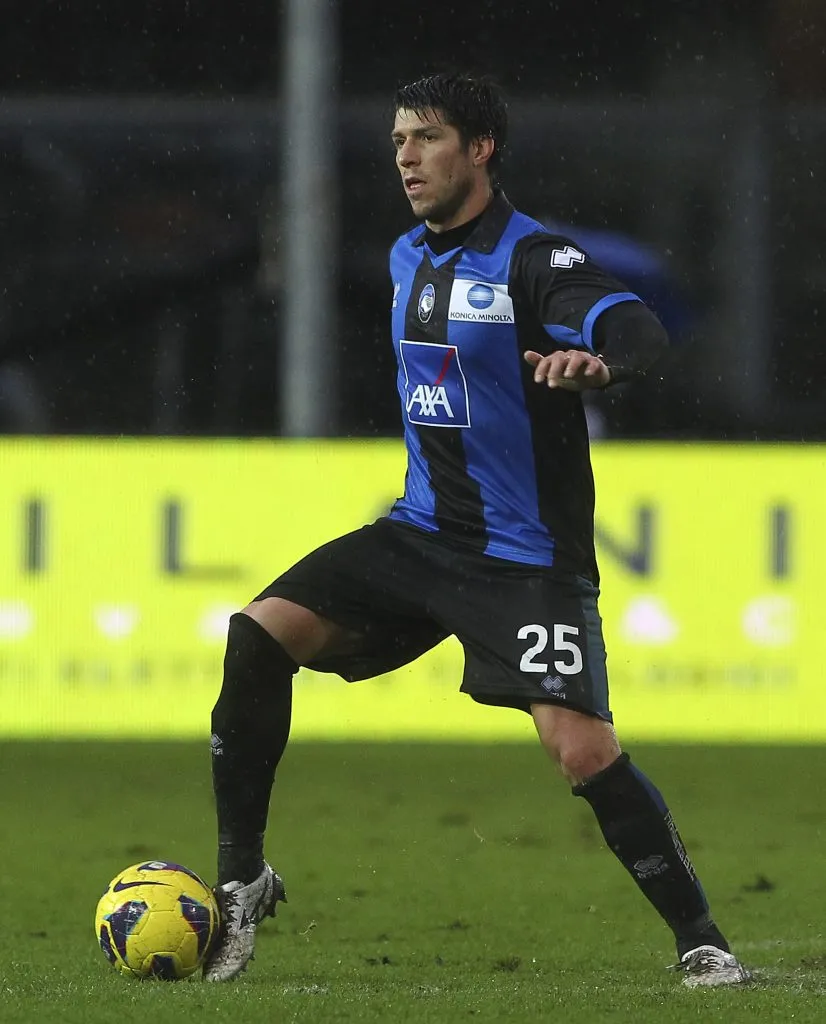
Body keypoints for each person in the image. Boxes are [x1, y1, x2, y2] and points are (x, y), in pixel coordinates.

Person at [203, 72, 749, 988]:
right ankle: (242, 880)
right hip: (419, 535)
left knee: (582, 749)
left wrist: (599, 367)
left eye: (427, 138)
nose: (407, 158)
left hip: (524, 558)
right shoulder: (404, 258)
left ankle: (702, 939)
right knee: (258, 635)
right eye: (398, 141)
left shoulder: (537, 260)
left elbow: (638, 328)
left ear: (481, 147)